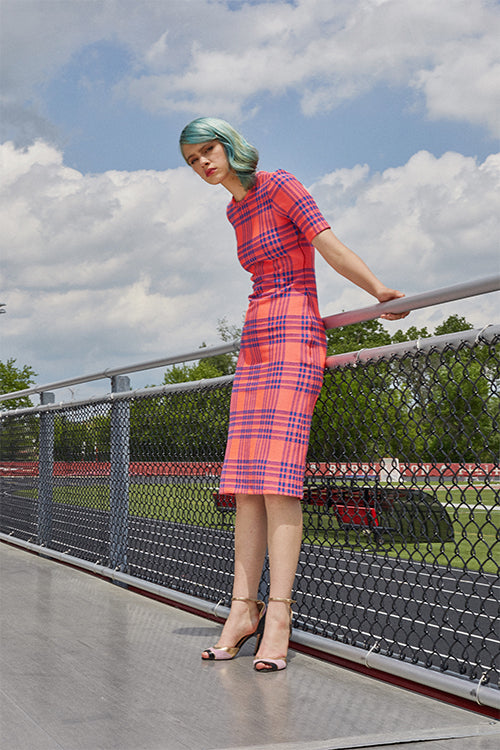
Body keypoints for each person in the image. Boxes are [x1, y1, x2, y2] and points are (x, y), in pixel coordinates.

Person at [179, 117, 408, 673]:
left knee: (278, 481)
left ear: (230, 146)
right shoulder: (232, 210)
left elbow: (326, 242)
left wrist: (378, 291)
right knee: (246, 483)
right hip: (255, 337)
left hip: (296, 333)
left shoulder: (280, 183)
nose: (204, 163)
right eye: (193, 160)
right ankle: (242, 609)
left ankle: (277, 614)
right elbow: (259, 277)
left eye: (208, 150)